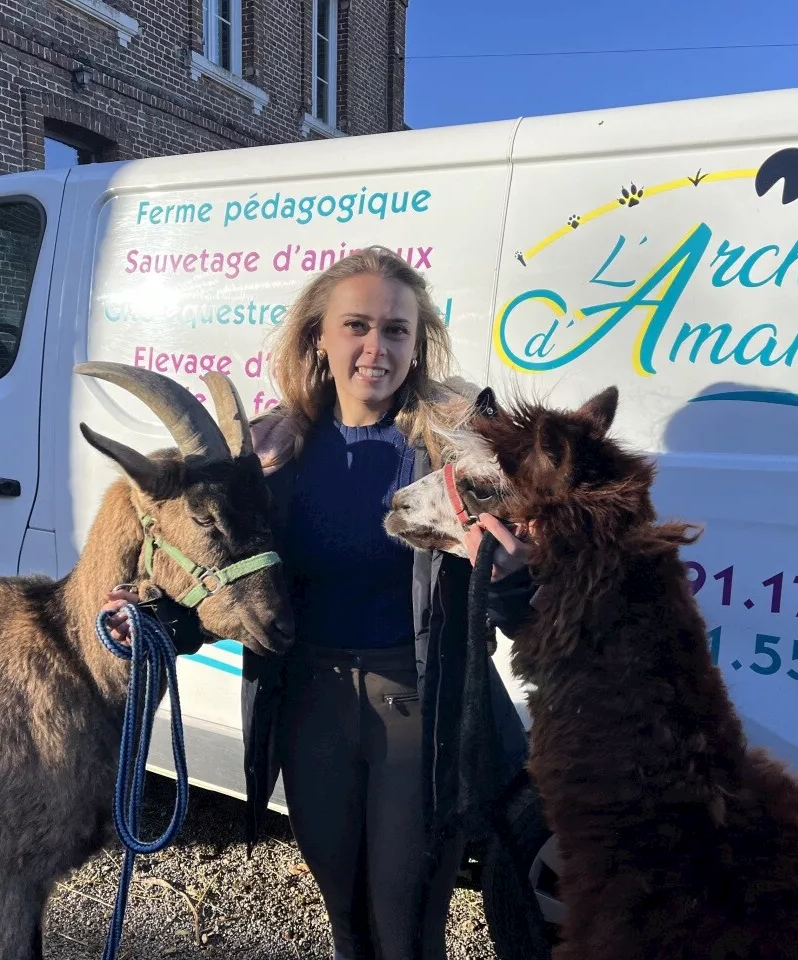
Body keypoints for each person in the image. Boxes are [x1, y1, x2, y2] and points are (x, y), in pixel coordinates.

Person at [102, 246, 537, 960]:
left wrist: (514, 576)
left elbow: (527, 612)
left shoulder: (462, 451)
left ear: (417, 342)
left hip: (419, 710)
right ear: (319, 338)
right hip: (310, 706)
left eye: (397, 330)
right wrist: (157, 621)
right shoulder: (270, 457)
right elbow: (232, 586)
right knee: (345, 920)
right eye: (357, 326)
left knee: (406, 928)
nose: (377, 347)